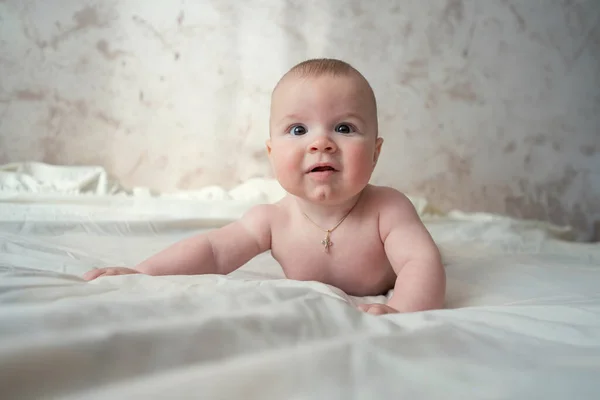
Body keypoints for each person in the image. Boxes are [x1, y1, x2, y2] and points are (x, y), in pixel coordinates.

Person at [83, 58, 446, 315]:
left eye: (344, 128)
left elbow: (420, 262)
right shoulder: (272, 221)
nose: (321, 143)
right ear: (272, 153)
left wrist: (402, 311)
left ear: (375, 153)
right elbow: (212, 251)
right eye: (298, 130)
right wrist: (144, 273)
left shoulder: (388, 208)